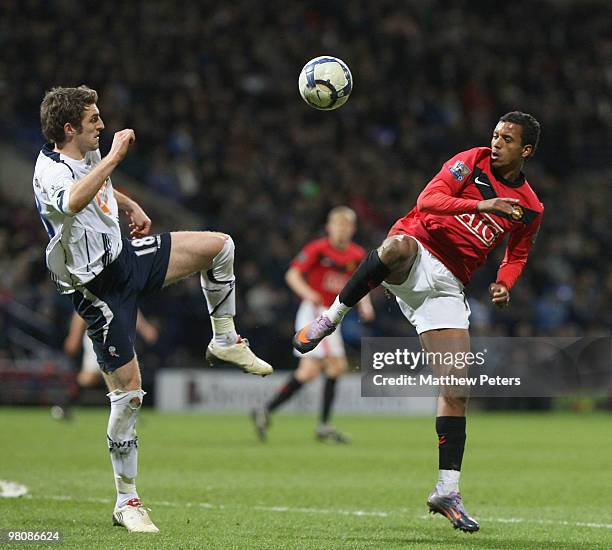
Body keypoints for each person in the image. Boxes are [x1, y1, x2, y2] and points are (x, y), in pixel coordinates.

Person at [33, 86, 273, 533]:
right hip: (96, 290)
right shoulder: (48, 172)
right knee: (129, 395)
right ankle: (127, 502)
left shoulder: (87, 154)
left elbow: (97, 183)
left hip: (124, 259)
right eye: (93, 120)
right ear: (69, 129)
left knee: (220, 247)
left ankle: (224, 340)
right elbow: (71, 201)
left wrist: (130, 202)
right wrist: (116, 157)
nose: (102, 126)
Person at [293, 112, 543, 533]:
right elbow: (429, 201)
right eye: (496, 134)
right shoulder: (472, 161)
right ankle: (332, 316)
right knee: (395, 246)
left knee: (457, 389)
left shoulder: (531, 208)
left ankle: (447, 490)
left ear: (526, 151)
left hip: (448, 287)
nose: (496, 142)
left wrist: (503, 282)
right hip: (418, 251)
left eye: (507, 139)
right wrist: (482, 202)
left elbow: (517, 253)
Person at [252, 207, 374, 443]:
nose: (341, 229)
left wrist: (365, 305)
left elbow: (362, 284)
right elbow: (292, 275)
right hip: (315, 313)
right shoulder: (318, 249)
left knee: (310, 372)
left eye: (346, 226)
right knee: (336, 366)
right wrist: (309, 293)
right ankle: (323, 426)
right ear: (329, 227)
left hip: (332, 314)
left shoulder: (357, 254)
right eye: (337, 225)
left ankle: (266, 410)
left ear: (353, 229)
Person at [50, 310, 159, 421]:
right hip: (98, 334)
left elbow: (130, 307)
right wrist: (74, 335)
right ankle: (63, 404)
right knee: (90, 377)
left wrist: (144, 328)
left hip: (119, 336)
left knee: (123, 374)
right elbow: (81, 308)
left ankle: (127, 411)